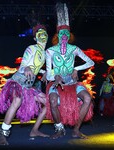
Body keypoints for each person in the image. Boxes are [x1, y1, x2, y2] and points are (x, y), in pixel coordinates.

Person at [45, 2, 95, 139]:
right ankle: (59, 129)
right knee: (53, 101)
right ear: (57, 35)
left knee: (87, 98)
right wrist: (55, 77)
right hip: (57, 83)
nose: (64, 36)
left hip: (72, 83)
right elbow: (49, 72)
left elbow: (91, 62)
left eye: (67, 33)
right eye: (62, 33)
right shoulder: (49, 51)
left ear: (70, 34)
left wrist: (75, 68)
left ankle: (76, 130)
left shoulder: (75, 49)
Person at [0, 23, 49, 145]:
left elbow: (35, 66)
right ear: (35, 38)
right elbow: (24, 65)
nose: (43, 35)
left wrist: (44, 71)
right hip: (18, 81)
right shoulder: (31, 48)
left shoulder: (45, 54)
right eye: (39, 34)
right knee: (17, 100)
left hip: (29, 86)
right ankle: (2, 135)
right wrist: (26, 68)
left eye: (44, 33)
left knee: (47, 103)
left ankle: (35, 130)